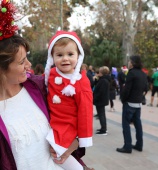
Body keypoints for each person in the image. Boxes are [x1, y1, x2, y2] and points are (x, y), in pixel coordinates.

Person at [0, 1, 93, 170]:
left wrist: (77, 141)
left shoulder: (38, 86)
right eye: (22, 62)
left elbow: (77, 112)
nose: (29, 65)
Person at [44, 31, 93, 170]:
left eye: (70, 54)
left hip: (67, 128)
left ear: (78, 56)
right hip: (51, 124)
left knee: (58, 157)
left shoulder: (81, 82)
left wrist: (82, 139)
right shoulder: (50, 74)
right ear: (52, 57)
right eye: (59, 55)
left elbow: (86, 113)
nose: (65, 59)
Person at [116, 55, 148, 153]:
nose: (128, 63)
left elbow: (127, 89)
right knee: (138, 124)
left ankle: (127, 146)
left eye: (129, 61)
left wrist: (123, 99)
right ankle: (139, 144)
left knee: (126, 125)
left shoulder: (131, 73)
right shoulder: (143, 74)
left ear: (133, 63)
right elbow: (146, 89)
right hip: (138, 104)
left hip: (129, 103)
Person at [93, 66, 110, 135]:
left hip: (100, 100)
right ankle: (103, 127)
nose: (98, 73)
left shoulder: (103, 81)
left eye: (99, 72)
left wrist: (95, 98)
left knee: (101, 114)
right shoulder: (103, 80)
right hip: (102, 100)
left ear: (102, 73)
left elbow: (100, 91)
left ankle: (104, 129)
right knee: (101, 114)